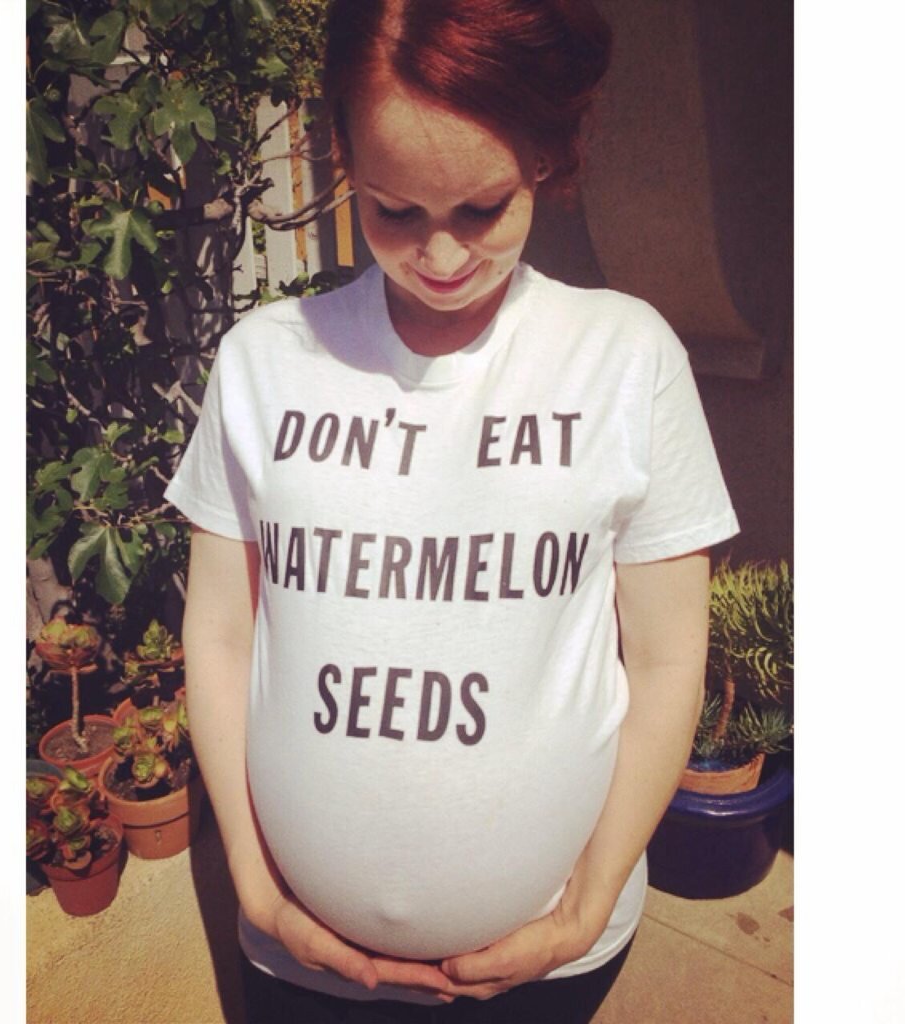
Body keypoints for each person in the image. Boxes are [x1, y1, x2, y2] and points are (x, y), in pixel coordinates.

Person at [165, 1, 739, 1020]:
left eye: (482, 209)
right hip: (298, 961)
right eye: (395, 210)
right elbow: (218, 635)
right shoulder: (264, 361)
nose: (440, 258)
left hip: (550, 965)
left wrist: (588, 902)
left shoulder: (625, 356)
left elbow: (662, 660)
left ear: (547, 158)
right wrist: (254, 887)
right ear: (342, 153)